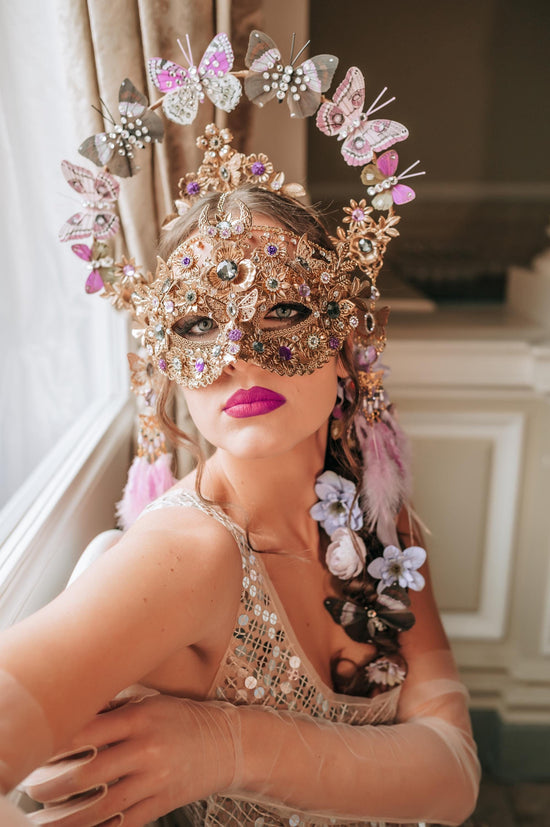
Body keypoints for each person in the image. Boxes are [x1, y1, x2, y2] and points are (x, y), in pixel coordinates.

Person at [0, 28, 480, 827]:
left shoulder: (378, 524)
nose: (238, 360)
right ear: (164, 358)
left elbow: (454, 771)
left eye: (284, 312)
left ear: (345, 343)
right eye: (196, 325)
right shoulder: (188, 554)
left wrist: (228, 744)